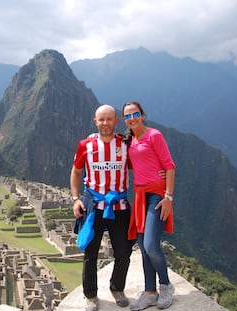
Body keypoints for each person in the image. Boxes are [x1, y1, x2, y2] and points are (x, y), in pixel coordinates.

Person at [70, 104, 133, 311]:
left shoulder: (126, 144)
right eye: (101, 119)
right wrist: (75, 198)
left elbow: (141, 163)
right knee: (90, 252)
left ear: (116, 121)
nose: (105, 123)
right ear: (95, 122)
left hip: (119, 205)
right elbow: (76, 171)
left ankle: (117, 288)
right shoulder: (85, 145)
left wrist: (160, 175)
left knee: (123, 251)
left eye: (109, 119)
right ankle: (90, 295)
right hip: (93, 204)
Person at [121, 101, 176, 310]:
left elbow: (170, 166)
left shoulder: (154, 136)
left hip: (156, 195)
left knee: (151, 244)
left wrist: (168, 197)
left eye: (135, 114)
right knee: (143, 248)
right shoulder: (129, 140)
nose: (132, 118)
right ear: (125, 120)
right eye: (127, 116)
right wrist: (93, 138)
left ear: (142, 115)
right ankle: (150, 292)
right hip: (140, 196)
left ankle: (165, 285)